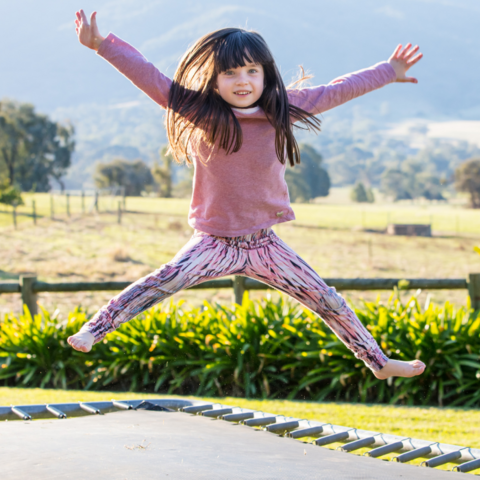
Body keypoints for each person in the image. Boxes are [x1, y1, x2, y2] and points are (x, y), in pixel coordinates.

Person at [68, 9, 426, 380]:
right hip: (213, 242)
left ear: (266, 75)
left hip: (265, 245)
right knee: (163, 281)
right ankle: (95, 329)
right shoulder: (203, 113)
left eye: (252, 71)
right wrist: (101, 45)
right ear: (216, 80)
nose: (243, 81)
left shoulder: (283, 109)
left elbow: (337, 89)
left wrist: (389, 71)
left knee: (327, 299)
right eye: (231, 72)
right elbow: (152, 79)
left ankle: (379, 364)